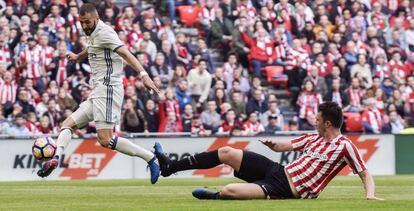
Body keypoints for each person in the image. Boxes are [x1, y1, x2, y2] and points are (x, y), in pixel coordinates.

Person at [153, 102, 383, 200]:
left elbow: (364, 172)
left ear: (329, 124)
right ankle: (168, 167)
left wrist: (369, 194)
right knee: (226, 152)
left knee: (229, 190)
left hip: (286, 188)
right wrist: (274, 146)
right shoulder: (313, 137)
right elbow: (287, 146)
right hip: (278, 170)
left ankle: (215, 196)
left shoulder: (345, 146)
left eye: (318, 118)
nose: (314, 120)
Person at [37, 4, 161, 184]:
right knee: (67, 124)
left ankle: (150, 157)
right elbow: (93, 47)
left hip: (109, 88)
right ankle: (55, 158)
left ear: (96, 18)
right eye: (82, 23)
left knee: (105, 139)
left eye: (87, 22)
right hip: (98, 90)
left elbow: (126, 53)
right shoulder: (93, 34)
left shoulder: (105, 33)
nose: (84, 26)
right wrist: (78, 57)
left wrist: (144, 75)